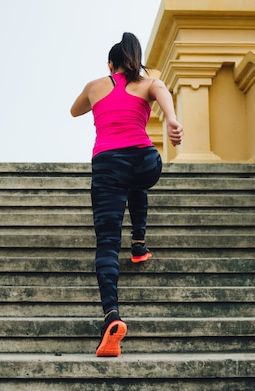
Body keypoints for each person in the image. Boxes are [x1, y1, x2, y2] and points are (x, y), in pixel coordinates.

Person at [70, 32, 183, 357]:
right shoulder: (148, 82)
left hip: (108, 165)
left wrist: (101, 91)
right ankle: (138, 244)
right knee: (136, 180)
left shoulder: (95, 86)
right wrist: (172, 121)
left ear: (110, 63)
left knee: (106, 242)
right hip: (145, 161)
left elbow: (74, 111)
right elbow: (162, 91)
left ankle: (111, 319)